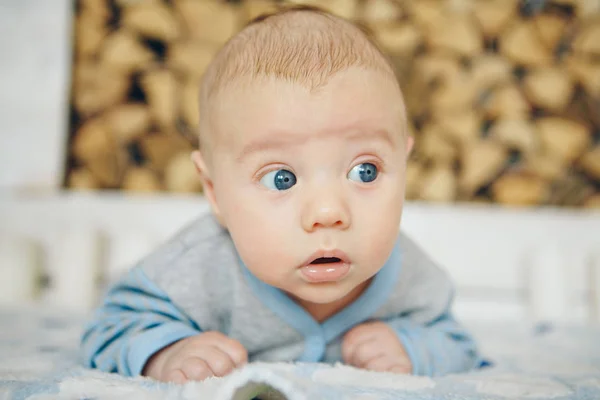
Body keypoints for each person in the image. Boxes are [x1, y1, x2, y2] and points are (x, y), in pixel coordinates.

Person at [80, 6, 482, 384]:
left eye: (366, 171)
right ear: (215, 191)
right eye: (281, 179)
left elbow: (458, 344)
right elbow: (111, 328)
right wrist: (166, 353)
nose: (328, 212)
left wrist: (413, 349)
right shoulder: (196, 269)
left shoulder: (408, 274)